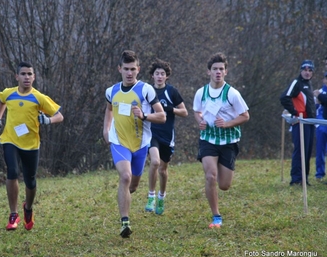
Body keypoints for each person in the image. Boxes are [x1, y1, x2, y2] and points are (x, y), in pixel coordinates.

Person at [0, 61, 64, 231]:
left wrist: (47, 120)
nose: (26, 77)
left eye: (29, 74)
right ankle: (13, 214)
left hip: (31, 145)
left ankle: (28, 208)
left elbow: (59, 116)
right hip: (10, 139)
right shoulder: (9, 94)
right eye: (23, 74)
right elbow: (1, 101)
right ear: (16, 76)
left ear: (34, 77)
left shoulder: (39, 97)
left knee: (30, 181)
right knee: (12, 172)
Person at [103, 50, 166, 238]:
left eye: (133, 69)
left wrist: (145, 115)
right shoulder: (111, 91)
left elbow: (162, 116)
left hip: (140, 144)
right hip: (119, 142)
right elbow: (109, 110)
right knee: (125, 177)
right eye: (126, 69)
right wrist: (106, 130)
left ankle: (127, 195)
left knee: (133, 185)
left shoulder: (146, 90)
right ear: (119, 69)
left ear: (138, 69)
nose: (129, 73)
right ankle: (125, 223)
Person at [193, 52, 250, 228]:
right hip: (208, 140)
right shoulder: (201, 92)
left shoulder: (232, 93)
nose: (218, 72)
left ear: (226, 71)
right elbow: (197, 111)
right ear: (208, 71)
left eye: (221, 69)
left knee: (224, 185)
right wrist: (200, 121)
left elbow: (245, 116)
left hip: (228, 142)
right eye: (215, 69)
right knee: (210, 176)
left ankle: (219, 170)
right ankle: (216, 216)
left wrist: (227, 124)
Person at [144, 59, 188, 215]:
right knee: (154, 162)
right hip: (151, 133)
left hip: (167, 136)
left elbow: (184, 112)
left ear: (166, 76)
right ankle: (151, 196)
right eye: (157, 73)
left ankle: (162, 197)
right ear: (152, 76)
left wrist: (170, 109)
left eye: (162, 74)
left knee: (163, 170)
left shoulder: (172, 92)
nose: (160, 76)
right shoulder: (147, 91)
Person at [280, 60, 316, 186]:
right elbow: (284, 97)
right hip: (300, 122)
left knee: (307, 151)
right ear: (301, 71)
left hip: (310, 122)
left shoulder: (309, 84)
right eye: (305, 70)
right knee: (299, 151)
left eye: (310, 70)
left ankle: (304, 179)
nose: (307, 73)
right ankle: (295, 179)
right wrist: (294, 111)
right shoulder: (296, 83)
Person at [313, 71, 327, 181]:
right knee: (320, 150)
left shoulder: (319, 94)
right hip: (321, 123)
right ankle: (319, 173)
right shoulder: (319, 91)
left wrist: (320, 98)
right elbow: (314, 106)